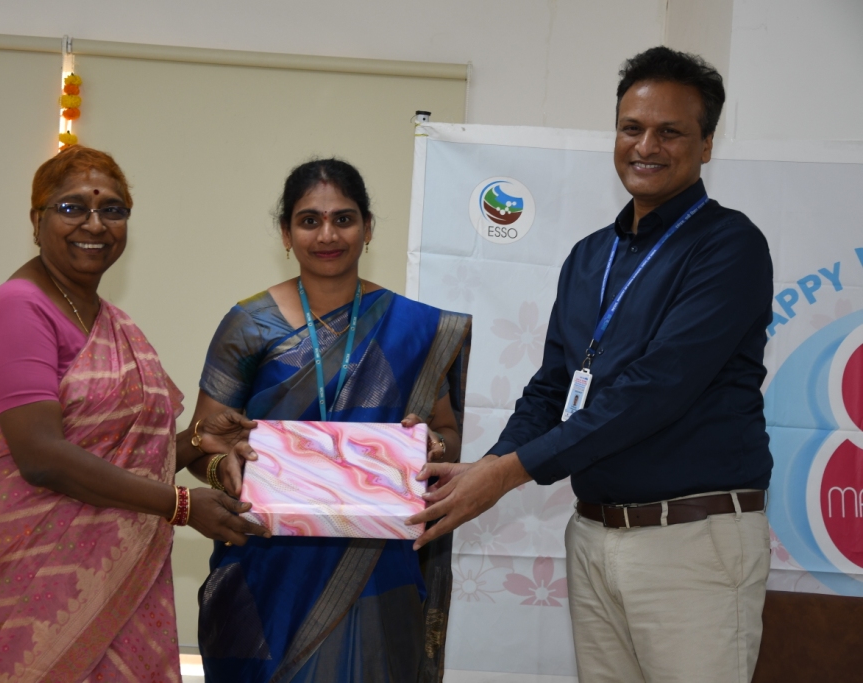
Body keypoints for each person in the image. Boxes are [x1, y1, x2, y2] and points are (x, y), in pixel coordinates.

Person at [409, 46, 773, 683]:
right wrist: (489, 465)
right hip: (594, 535)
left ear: (707, 144)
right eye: (632, 128)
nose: (646, 146)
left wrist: (506, 475)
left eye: (670, 132)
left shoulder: (729, 246)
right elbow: (553, 385)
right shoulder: (589, 256)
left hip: (691, 542)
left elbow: (653, 391)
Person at [0, 145, 268, 682]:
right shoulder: (17, 307)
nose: (95, 224)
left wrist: (197, 439)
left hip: (116, 579)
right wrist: (181, 505)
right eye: (72, 208)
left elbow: (121, 461)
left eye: (113, 210)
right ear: (36, 220)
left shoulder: (110, 320)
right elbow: (42, 456)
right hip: (26, 575)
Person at [187, 158, 471, 682]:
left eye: (343, 219)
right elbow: (200, 440)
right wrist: (220, 467)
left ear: (368, 228)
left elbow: (448, 436)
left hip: (377, 559)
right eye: (309, 221)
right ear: (286, 233)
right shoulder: (249, 324)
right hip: (266, 559)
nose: (327, 235)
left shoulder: (415, 328)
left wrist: (432, 445)